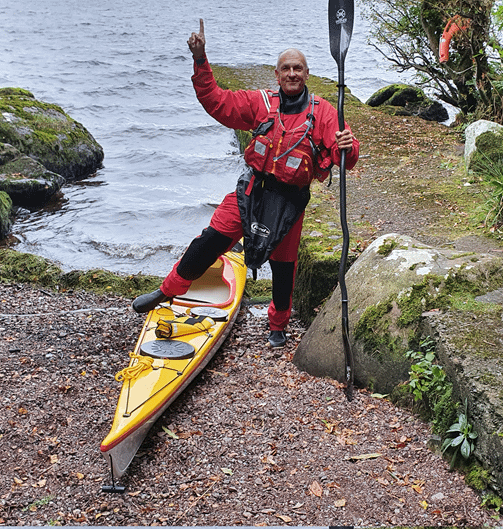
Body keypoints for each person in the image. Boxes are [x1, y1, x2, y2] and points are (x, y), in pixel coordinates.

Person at [132, 19, 359, 348]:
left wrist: (348, 146)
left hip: (289, 201)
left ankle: (278, 324)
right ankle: (167, 290)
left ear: (307, 74)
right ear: (277, 74)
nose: (292, 74)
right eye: (286, 69)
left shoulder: (323, 113)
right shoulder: (262, 103)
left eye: (298, 68)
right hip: (252, 192)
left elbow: (345, 160)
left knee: (283, 268)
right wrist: (200, 60)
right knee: (210, 240)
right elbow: (217, 102)